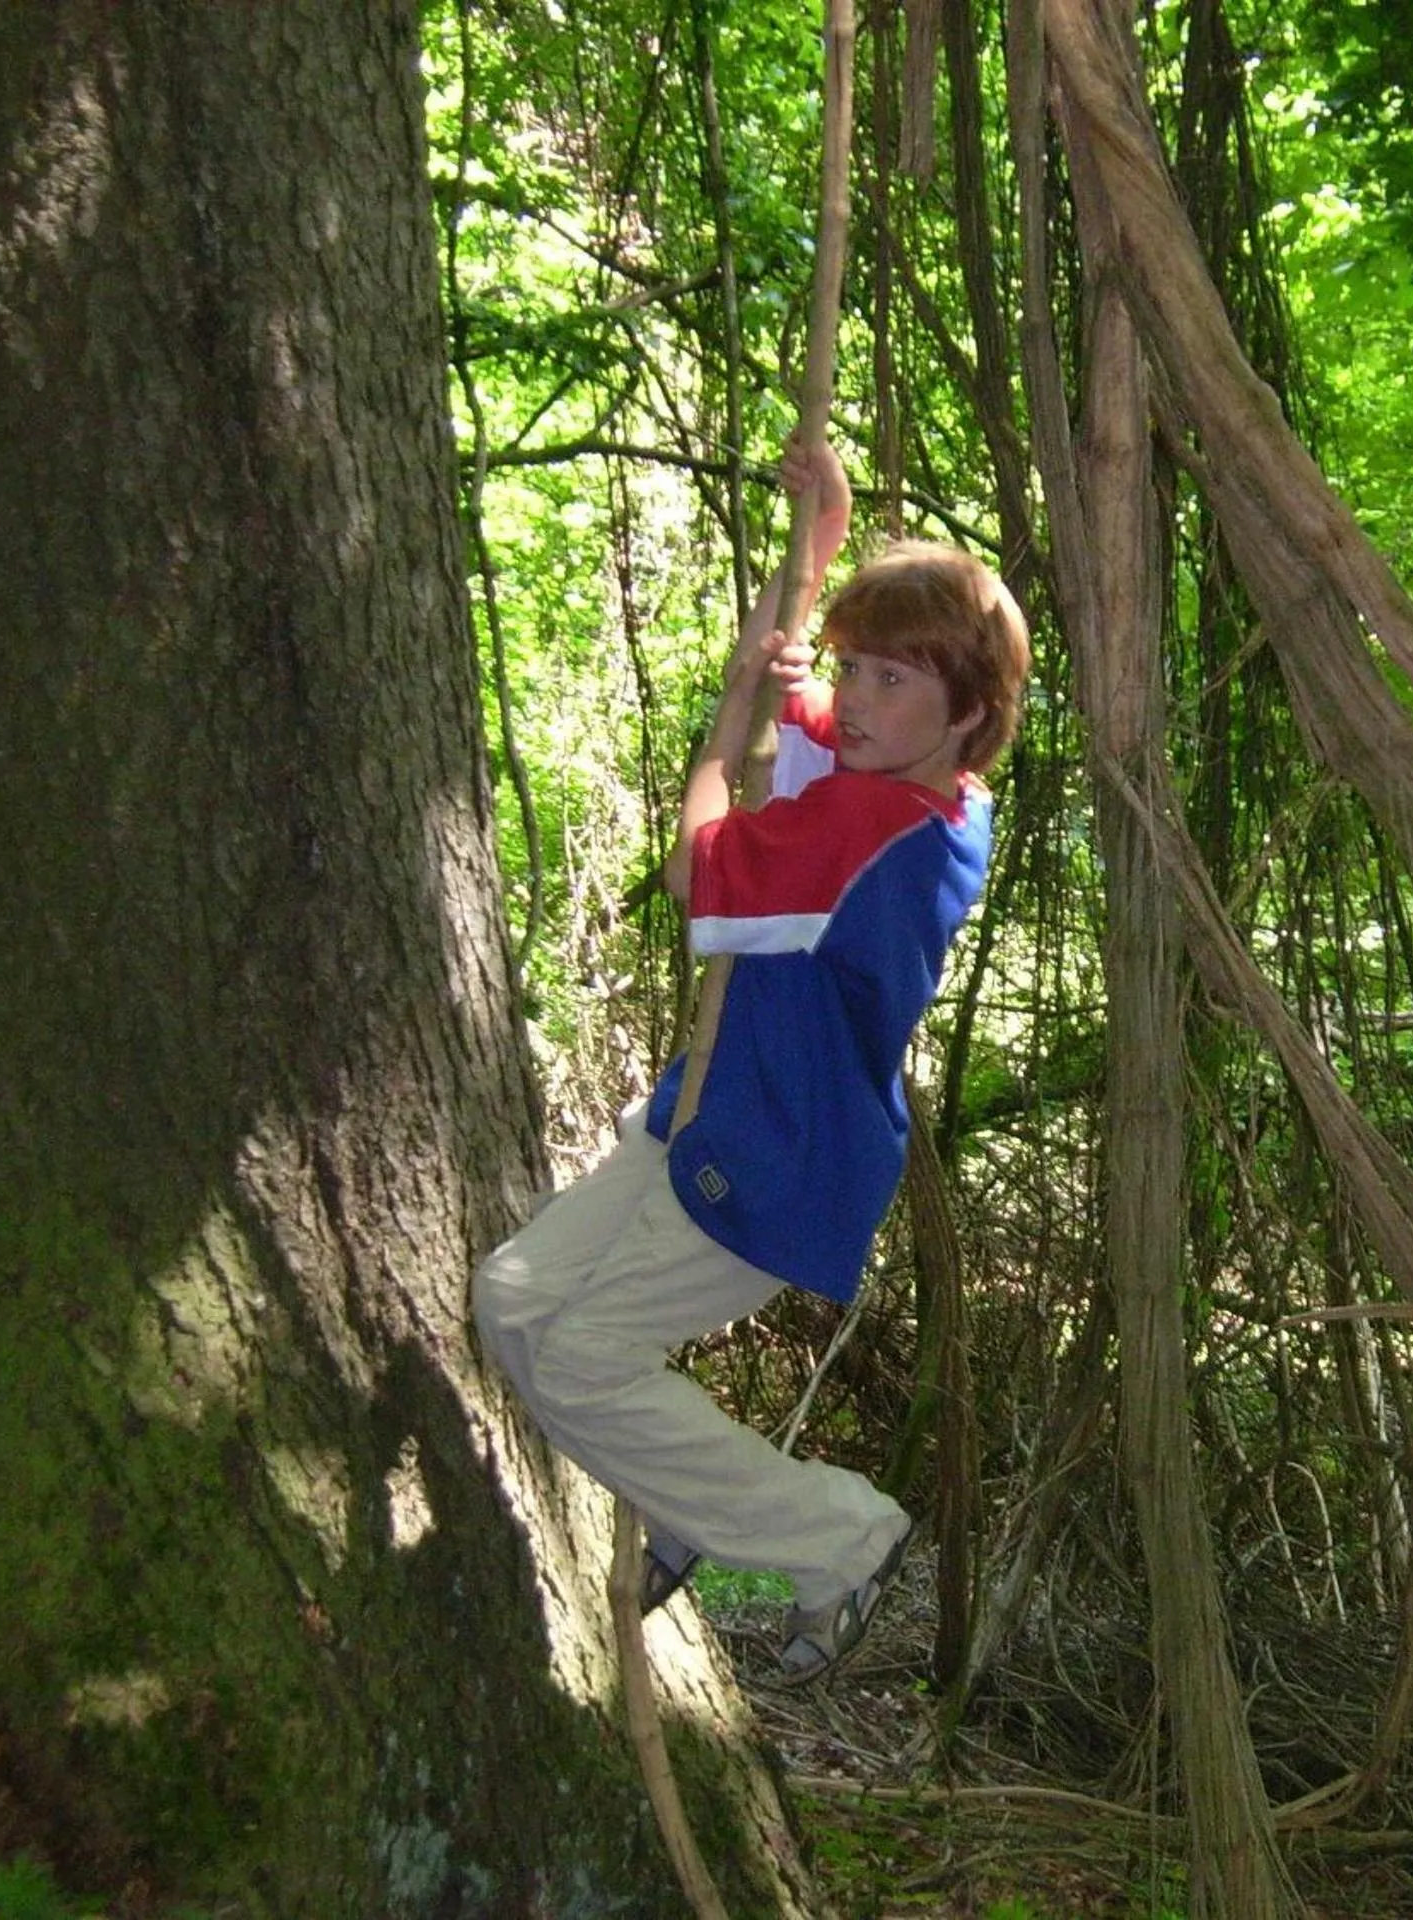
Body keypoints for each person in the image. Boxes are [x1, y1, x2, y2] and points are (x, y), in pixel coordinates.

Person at [474, 434, 1030, 1683]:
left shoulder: (864, 830)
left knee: (579, 1359)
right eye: (863, 672)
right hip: (711, 1110)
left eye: (897, 683)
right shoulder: (941, 793)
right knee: (512, 1303)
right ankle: (691, 1503)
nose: (862, 701)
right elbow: (807, 702)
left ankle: (840, 1536)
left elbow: (699, 864)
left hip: (774, 1154)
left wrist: (720, 745)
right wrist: (822, 531)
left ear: (969, 715)